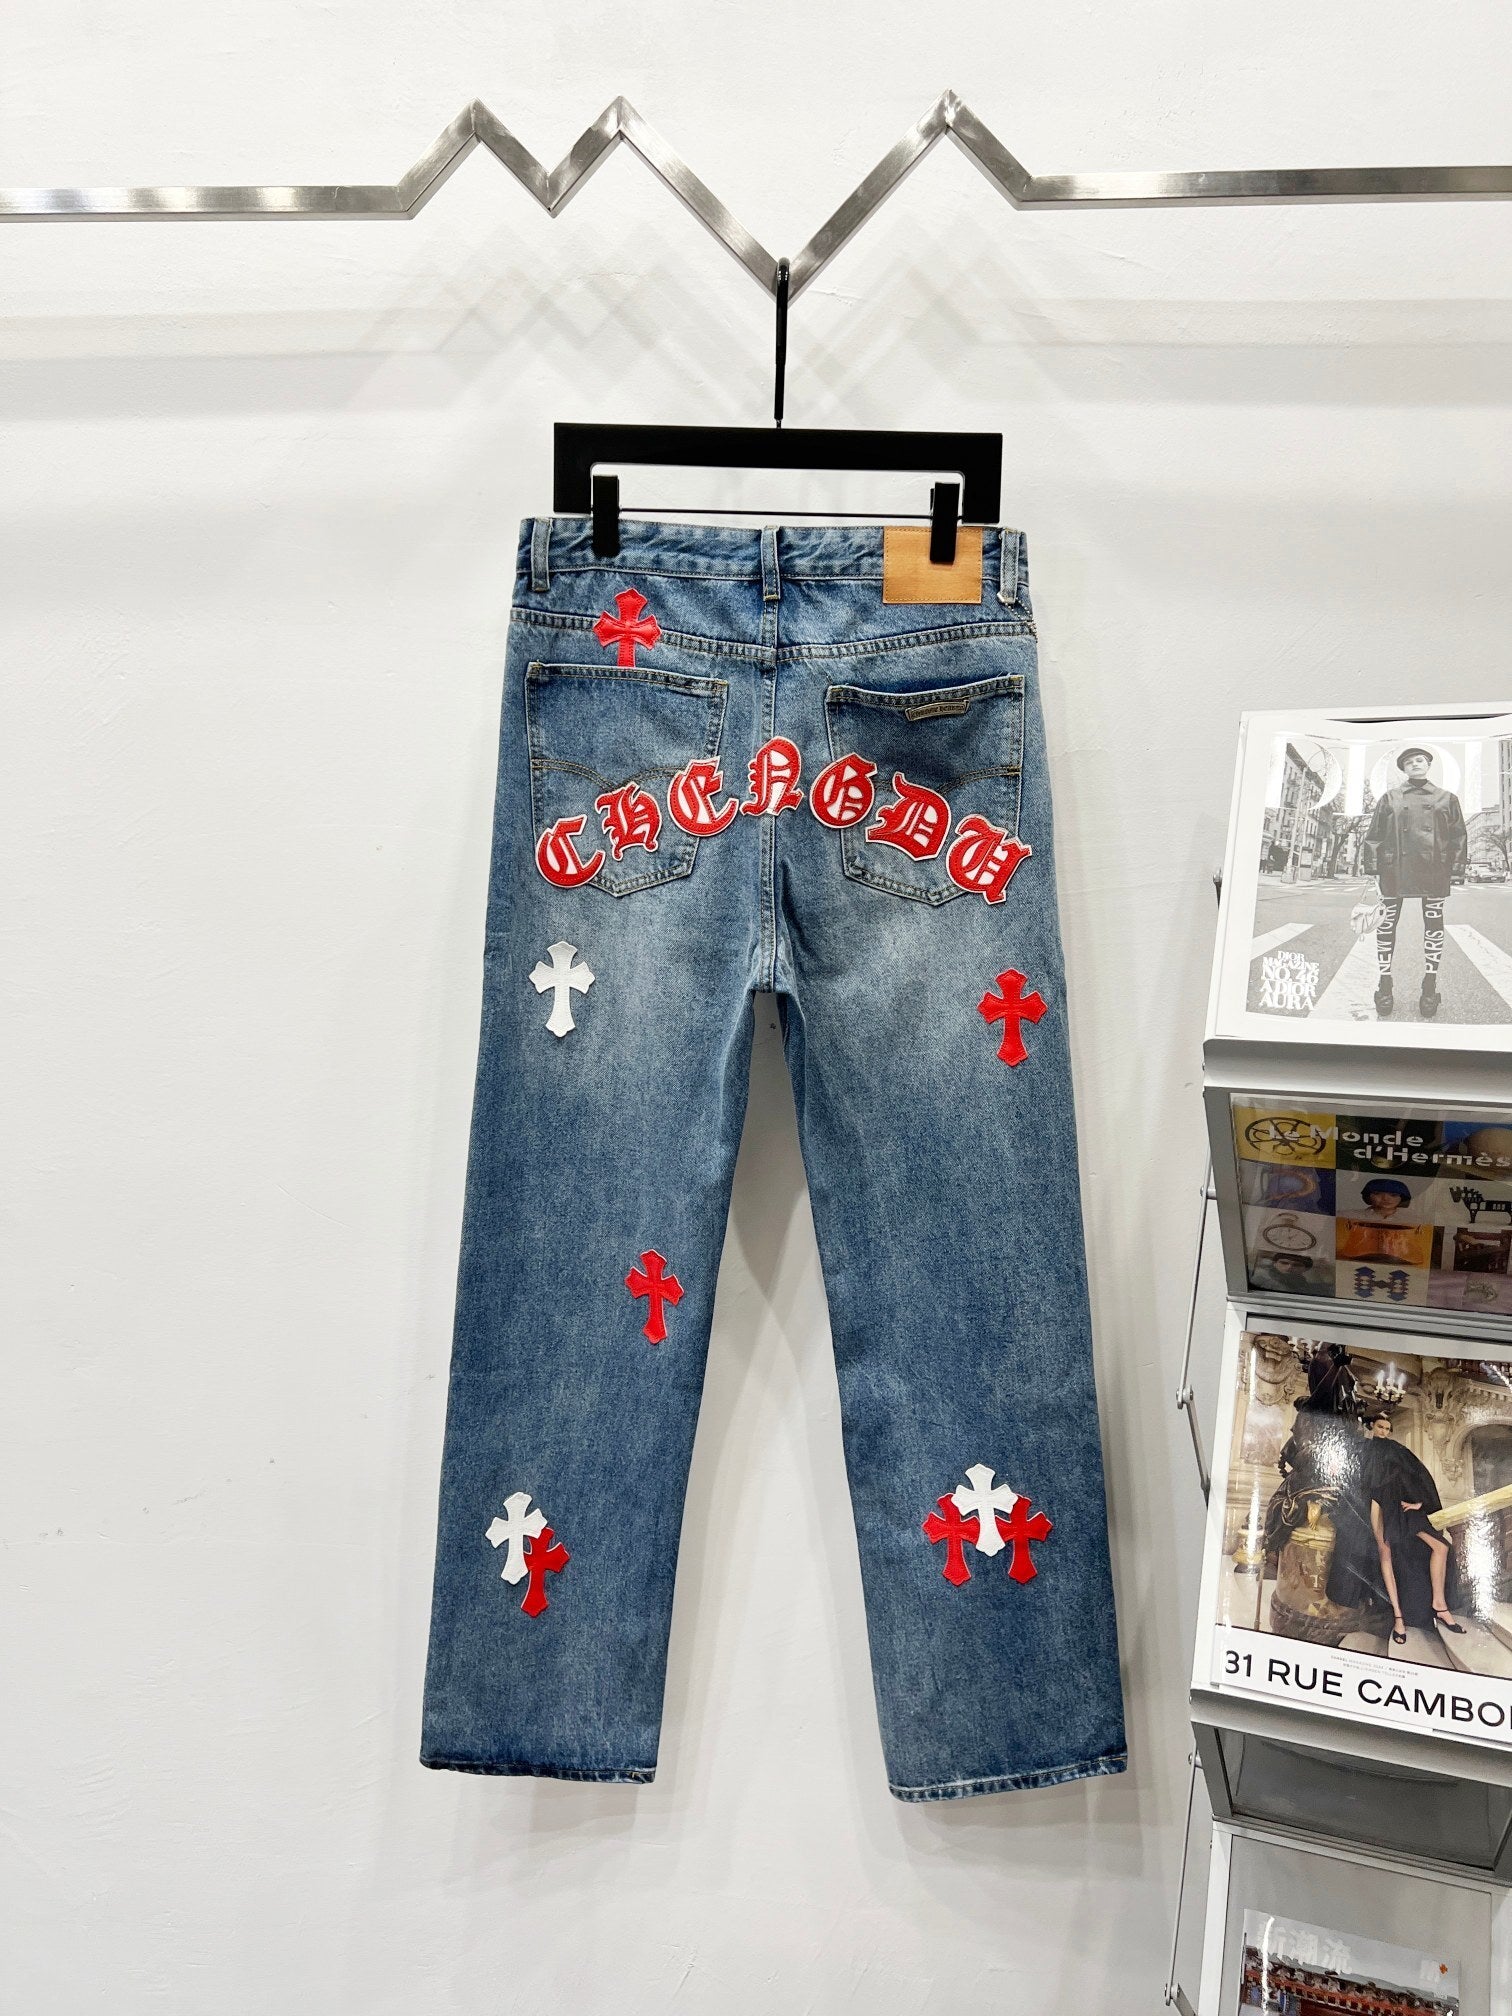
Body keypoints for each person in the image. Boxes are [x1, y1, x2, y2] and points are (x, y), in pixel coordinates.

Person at [1360, 745, 1468, 1020]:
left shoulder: (1447, 798)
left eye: (1420, 760)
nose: (1415, 764)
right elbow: (1374, 835)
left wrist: (1456, 869)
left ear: (1428, 764)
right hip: (1393, 869)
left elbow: (1458, 836)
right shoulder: (1390, 798)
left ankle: (1429, 987)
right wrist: (1372, 868)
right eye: (1409, 762)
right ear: (1404, 769)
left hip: (1435, 870)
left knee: (1434, 925)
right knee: (1386, 926)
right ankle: (1385, 984)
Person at [1362, 1410, 1463, 1642]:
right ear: (1372, 1426)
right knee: (1385, 1553)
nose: (1383, 1432)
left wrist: (1420, 1502)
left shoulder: (1397, 1449)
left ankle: (1439, 1604)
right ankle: (1399, 1617)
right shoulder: (1364, 1449)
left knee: (1441, 1547)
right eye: (1380, 1427)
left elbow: (1417, 1475)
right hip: (1377, 1503)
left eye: (1387, 1429)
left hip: (1400, 1506)